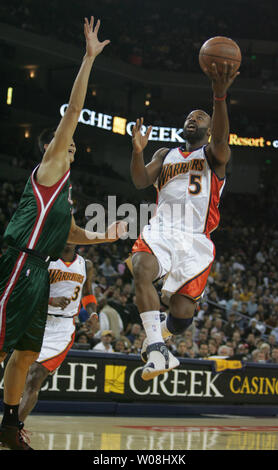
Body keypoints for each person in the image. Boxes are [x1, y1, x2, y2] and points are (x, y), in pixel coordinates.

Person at [0, 16, 126, 450]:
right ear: (53, 145)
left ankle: (7, 426)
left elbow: (70, 230)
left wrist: (104, 237)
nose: (72, 147)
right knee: (2, 347)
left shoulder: (64, 189)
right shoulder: (50, 166)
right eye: (66, 142)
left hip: (41, 268)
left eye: (71, 145)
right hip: (21, 263)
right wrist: (88, 60)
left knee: (24, 355)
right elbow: (73, 112)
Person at [130, 61, 239, 380]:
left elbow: (221, 138)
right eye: (190, 117)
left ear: (209, 128)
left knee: (182, 314)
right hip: (162, 230)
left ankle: (163, 333)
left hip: (195, 239)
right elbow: (139, 181)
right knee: (141, 268)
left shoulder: (213, 156)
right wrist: (138, 152)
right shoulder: (165, 154)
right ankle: (156, 349)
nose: (193, 119)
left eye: (200, 117)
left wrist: (219, 98)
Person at [17, 244, 96, 425]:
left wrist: (92, 314)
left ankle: (13, 429)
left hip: (63, 327)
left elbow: (88, 293)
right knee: (20, 373)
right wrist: (51, 300)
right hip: (36, 319)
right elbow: (28, 290)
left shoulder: (86, 265)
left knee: (35, 376)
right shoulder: (45, 259)